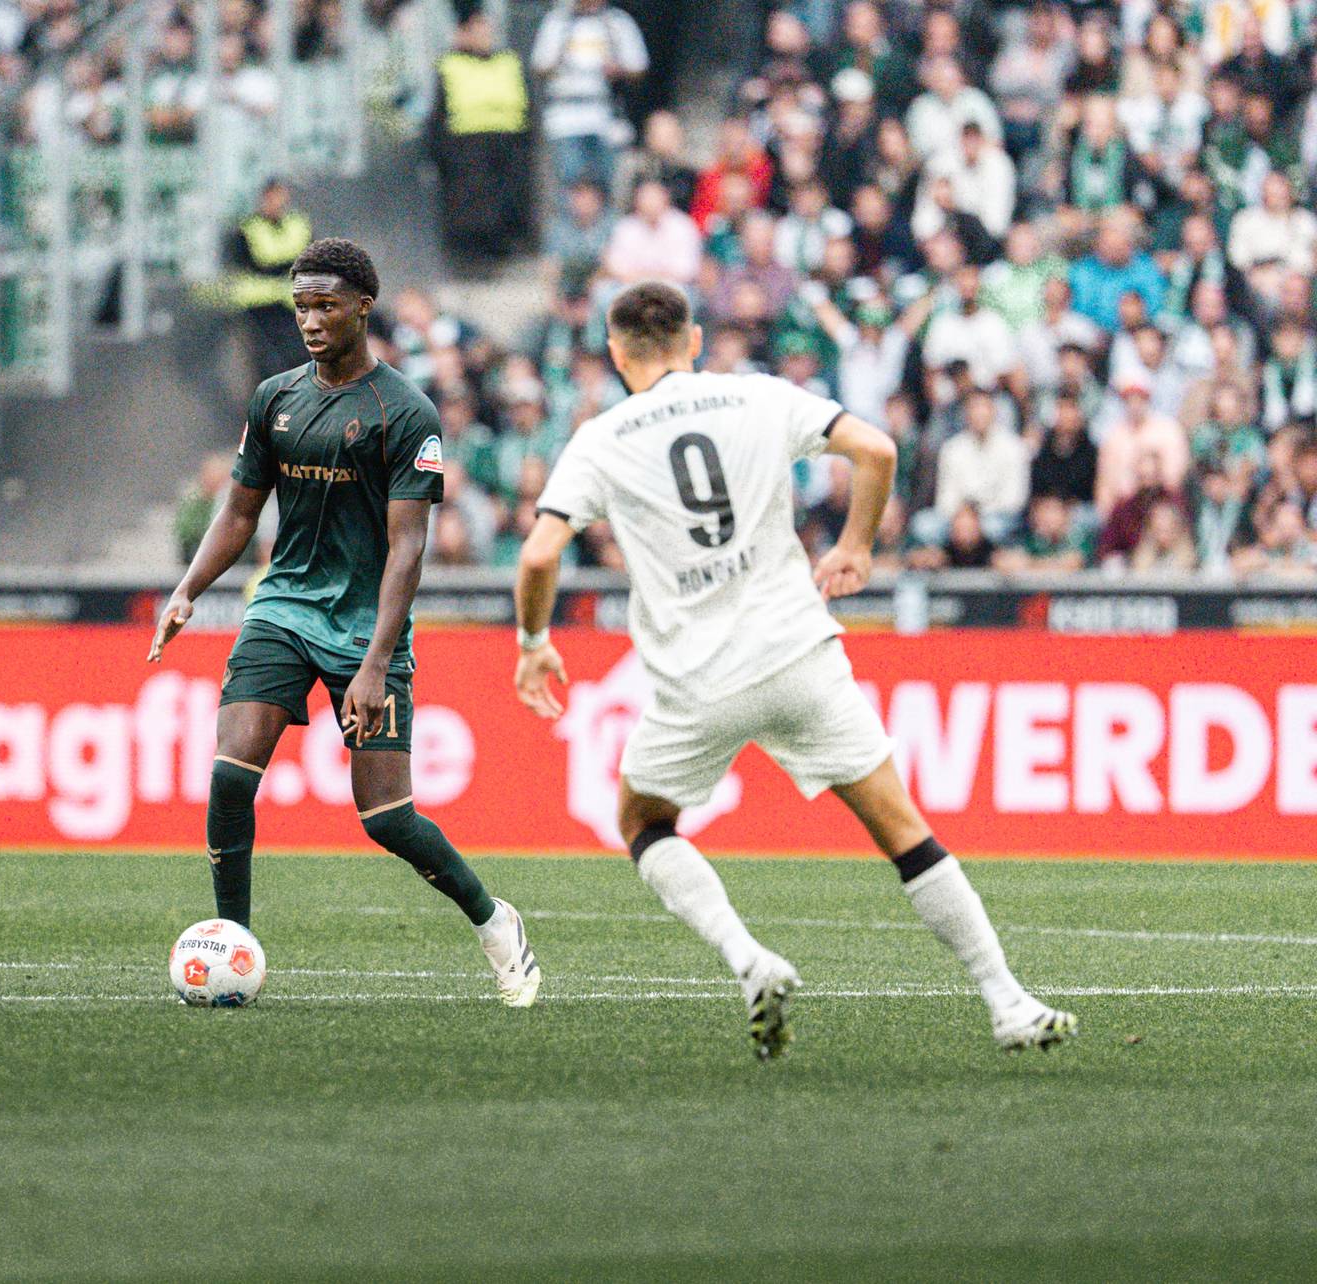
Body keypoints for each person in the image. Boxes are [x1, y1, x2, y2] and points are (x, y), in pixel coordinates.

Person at [510, 281, 1075, 1058]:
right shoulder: (759, 397)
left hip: (697, 683)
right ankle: (1007, 999)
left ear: (615, 353)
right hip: (798, 654)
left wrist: (534, 638)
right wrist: (856, 546)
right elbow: (876, 448)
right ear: (697, 340)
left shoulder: (601, 439)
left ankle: (750, 959)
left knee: (643, 823)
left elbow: (541, 551)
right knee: (904, 833)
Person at [149, 238, 540, 1007]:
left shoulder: (408, 414)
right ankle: (236, 947)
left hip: (369, 625)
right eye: (301, 306)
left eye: (326, 305)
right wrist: (188, 589)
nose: (311, 320)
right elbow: (238, 510)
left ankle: (496, 922)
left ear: (364, 305)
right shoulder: (275, 399)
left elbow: (408, 550)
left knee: (387, 818)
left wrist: (372, 664)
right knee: (231, 775)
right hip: (284, 606)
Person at [428, 12, 530, 262]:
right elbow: (439, 112)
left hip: (507, 145)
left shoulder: (509, 61)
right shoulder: (451, 64)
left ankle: (502, 251)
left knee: (506, 206)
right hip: (467, 148)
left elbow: (527, 105)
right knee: (471, 210)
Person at [528, 0, 647, 192]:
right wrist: (561, 56)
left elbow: (638, 67)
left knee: (606, 185)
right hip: (564, 116)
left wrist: (618, 69)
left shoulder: (617, 22)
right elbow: (540, 66)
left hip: (604, 115)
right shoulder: (557, 21)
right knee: (569, 186)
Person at [227, 179, 313, 384]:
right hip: (260, 306)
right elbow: (255, 262)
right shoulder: (249, 228)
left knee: (300, 358)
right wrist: (288, 265)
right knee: (266, 362)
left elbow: (311, 256)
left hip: (292, 304)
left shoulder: (298, 223)